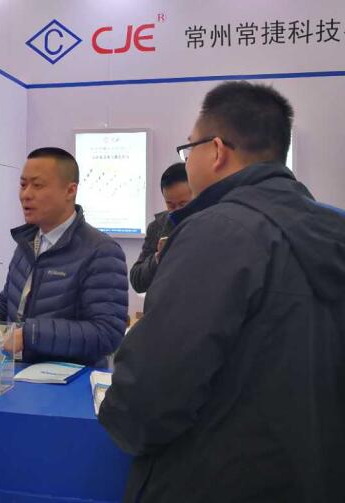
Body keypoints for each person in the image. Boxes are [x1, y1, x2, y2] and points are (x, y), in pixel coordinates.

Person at [99, 81, 345, 503]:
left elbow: (151, 392)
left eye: (188, 149)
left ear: (215, 151)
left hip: (215, 478)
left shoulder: (218, 230)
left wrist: (120, 416)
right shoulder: (332, 229)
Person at [0, 147, 128, 366]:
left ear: (70, 190)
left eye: (37, 185)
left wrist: (30, 335)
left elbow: (107, 333)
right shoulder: (26, 244)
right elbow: (5, 308)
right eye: (23, 184)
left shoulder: (101, 251)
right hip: (16, 374)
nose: (25, 194)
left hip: (68, 381)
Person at [129, 162, 192, 293]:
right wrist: (158, 257)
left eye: (183, 204)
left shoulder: (210, 222)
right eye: (170, 205)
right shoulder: (157, 226)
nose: (177, 210)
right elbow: (137, 281)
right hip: (164, 302)